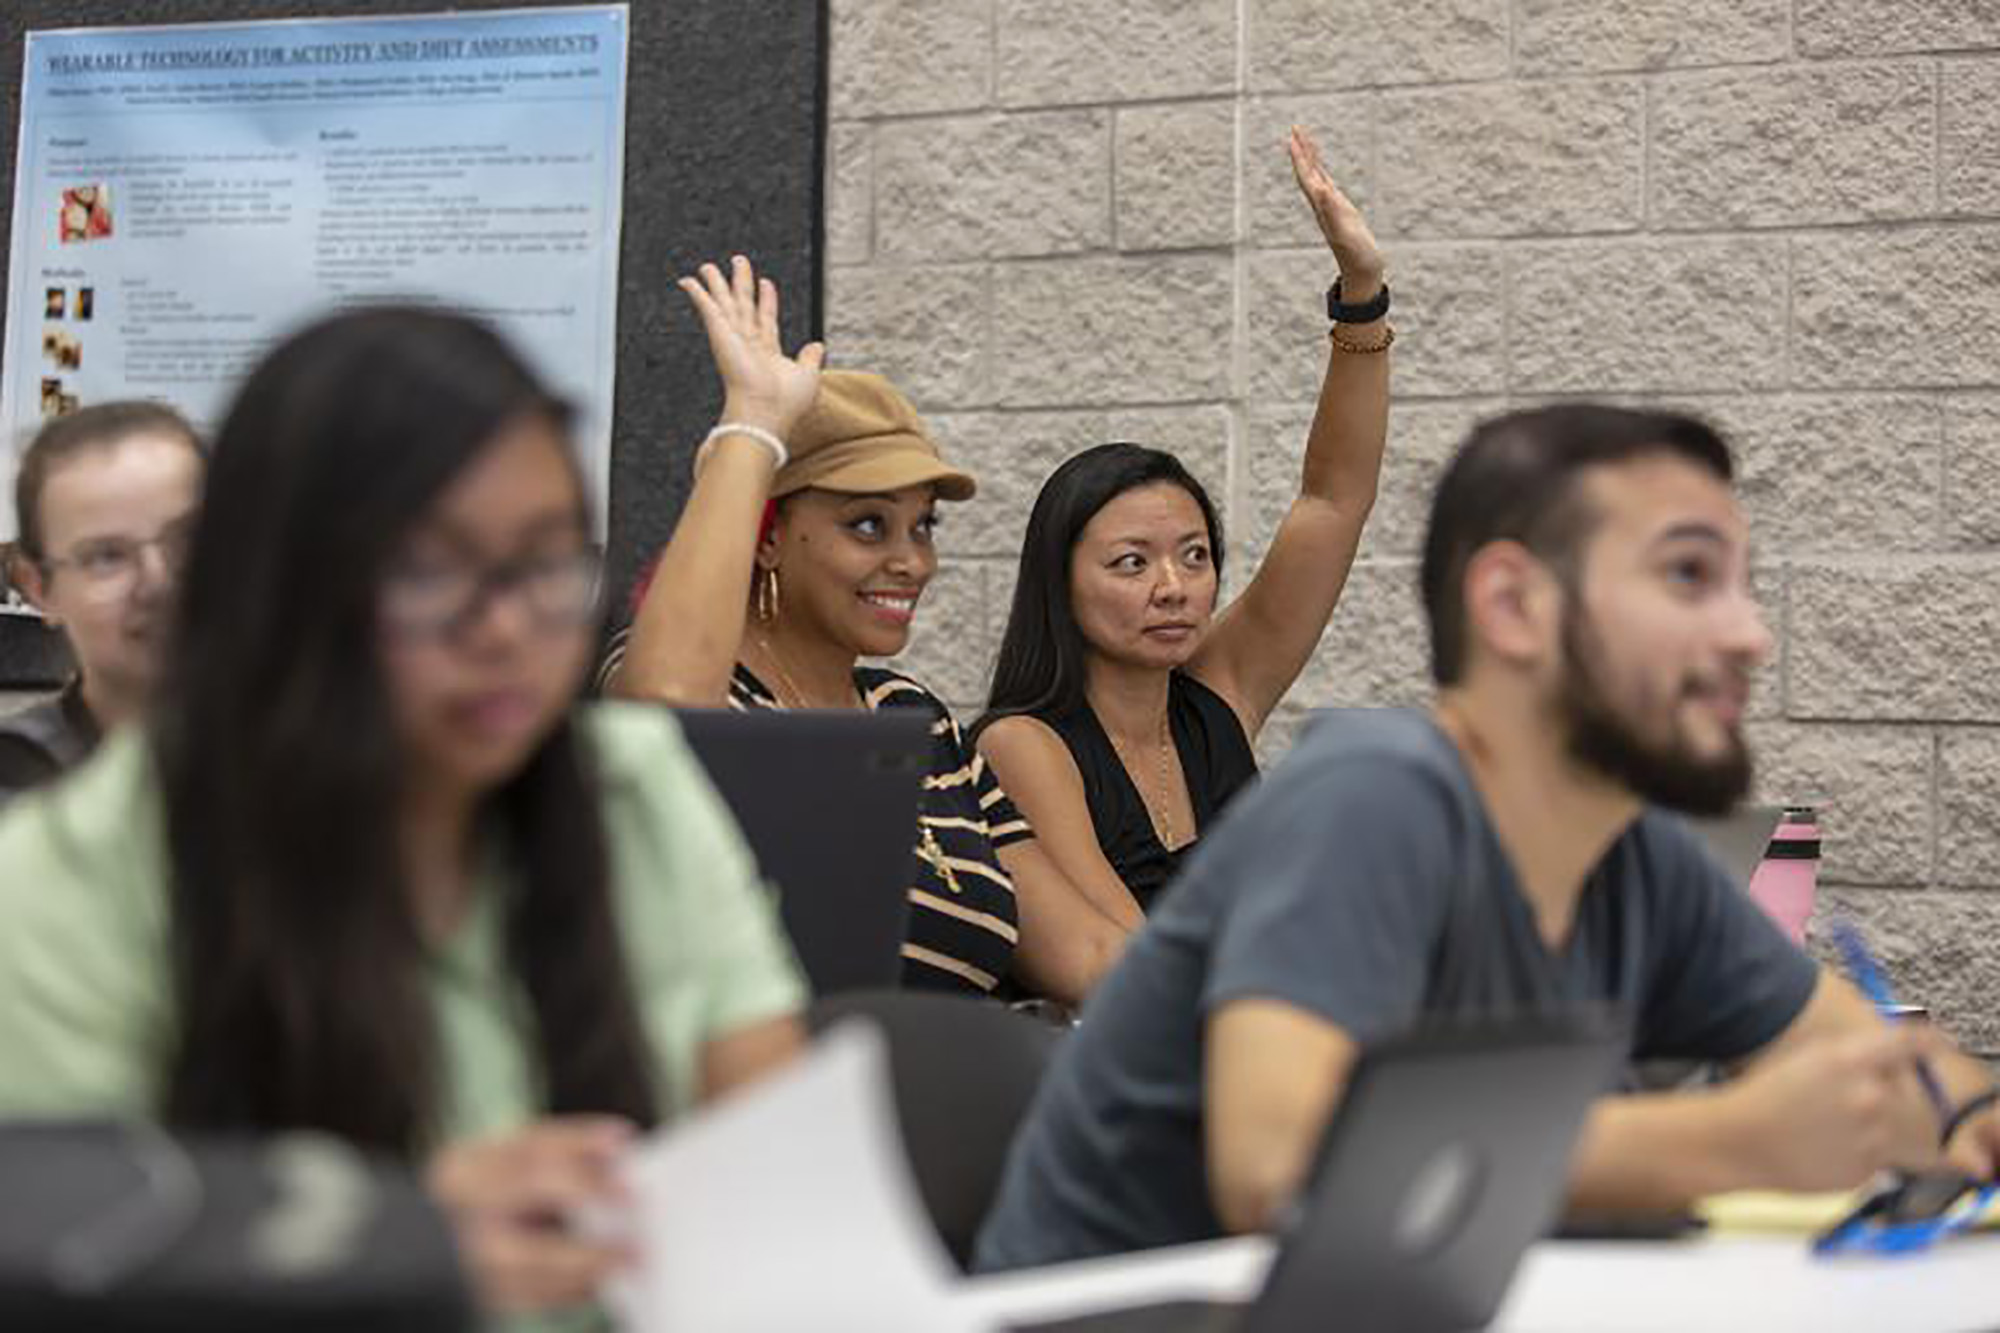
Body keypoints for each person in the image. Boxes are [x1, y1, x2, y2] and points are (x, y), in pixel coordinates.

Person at [975, 403, 2000, 1273]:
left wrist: (1959, 1114)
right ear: (1510, 605)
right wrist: (1725, 1141)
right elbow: (1276, 1162)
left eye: (1742, 583)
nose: (1748, 635)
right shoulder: (1370, 800)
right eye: (1687, 577)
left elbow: (1889, 1067)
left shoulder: (1631, 855)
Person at [0, 308, 807, 1321]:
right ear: (279, 591)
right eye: (430, 572)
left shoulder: (629, 786)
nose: (507, 628)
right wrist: (369, 1245)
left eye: (546, 561)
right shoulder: (73, 877)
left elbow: (780, 1180)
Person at [603, 257, 1110, 1005]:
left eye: (923, 526)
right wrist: (752, 425)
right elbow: (666, 709)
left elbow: (1089, 954)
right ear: (767, 535)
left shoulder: (917, 718)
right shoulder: (705, 696)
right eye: (868, 524)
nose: (910, 561)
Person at [972, 127, 1389, 936]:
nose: (1173, 586)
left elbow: (1334, 500)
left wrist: (1362, 291)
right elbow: (1130, 966)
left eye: (1194, 556)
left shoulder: (1217, 698)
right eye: (1131, 562)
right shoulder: (1025, 746)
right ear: (1060, 582)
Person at [0, 401, 204, 800]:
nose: (157, 582)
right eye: (106, 556)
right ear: (39, 587)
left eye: (187, 539)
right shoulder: (14, 787)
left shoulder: (319, 759)